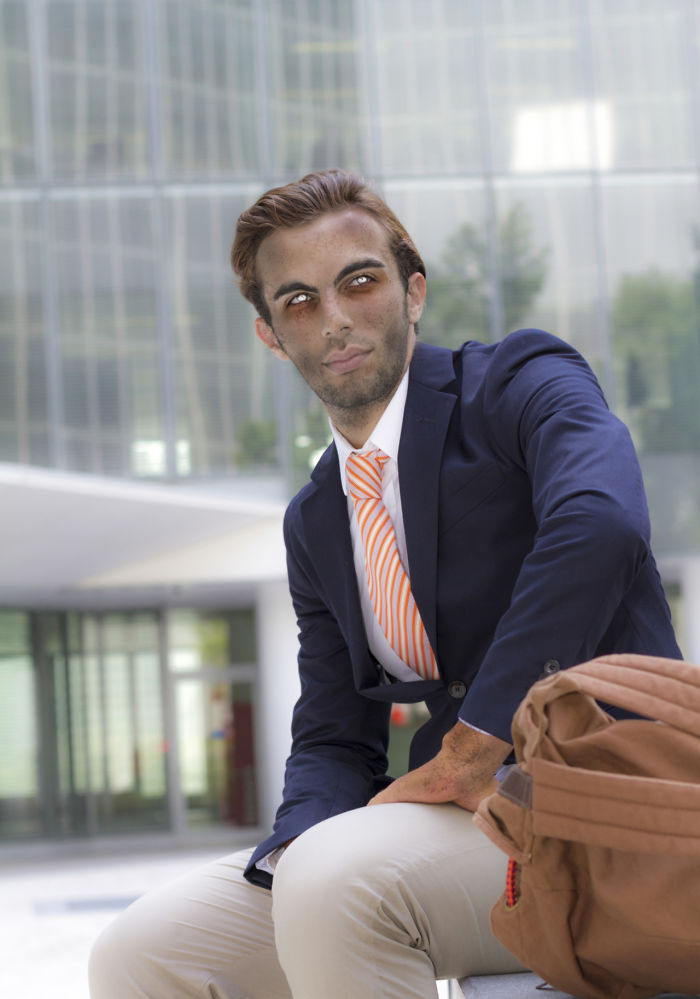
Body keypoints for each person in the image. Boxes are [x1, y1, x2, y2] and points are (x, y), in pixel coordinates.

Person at [88, 170, 681, 999]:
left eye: (358, 281)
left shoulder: (519, 383)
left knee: (340, 883)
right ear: (269, 334)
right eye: (297, 300)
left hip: (604, 814)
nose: (333, 319)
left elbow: (603, 523)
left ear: (413, 291)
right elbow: (335, 733)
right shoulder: (318, 519)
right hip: (464, 831)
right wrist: (295, 845)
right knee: (145, 951)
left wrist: (473, 746)